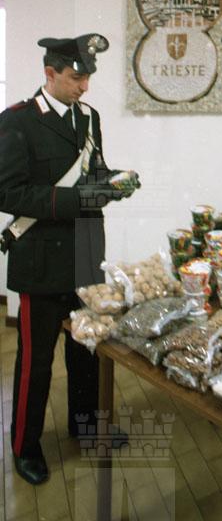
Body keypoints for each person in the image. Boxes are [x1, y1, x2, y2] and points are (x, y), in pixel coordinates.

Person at [0, 34, 141, 486]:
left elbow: (93, 171)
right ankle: (25, 447)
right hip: (41, 262)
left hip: (85, 255)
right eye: (76, 78)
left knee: (86, 353)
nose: (84, 87)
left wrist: (114, 181)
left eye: (87, 78)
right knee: (36, 363)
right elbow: (9, 194)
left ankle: (87, 428)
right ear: (50, 73)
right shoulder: (17, 121)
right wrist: (78, 199)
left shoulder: (89, 118)